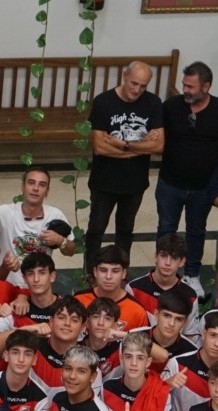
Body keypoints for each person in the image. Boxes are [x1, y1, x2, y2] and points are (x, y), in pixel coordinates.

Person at [156, 62, 218, 282]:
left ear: (206, 86)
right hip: (169, 183)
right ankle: (164, 272)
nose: (185, 90)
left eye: (190, 87)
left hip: (203, 187)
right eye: (184, 85)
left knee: (196, 231)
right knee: (166, 229)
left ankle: (192, 274)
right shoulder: (171, 107)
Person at [85, 61, 165, 269]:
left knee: (125, 231)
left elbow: (158, 145)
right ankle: (91, 272)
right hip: (104, 181)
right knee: (96, 230)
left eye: (143, 86)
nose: (137, 90)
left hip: (134, 182)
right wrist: (141, 146)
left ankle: (121, 272)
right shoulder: (103, 102)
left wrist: (124, 145)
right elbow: (100, 147)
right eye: (134, 83)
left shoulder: (153, 103)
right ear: (124, 76)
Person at [74, 246, 150, 333]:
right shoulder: (79, 300)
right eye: (103, 270)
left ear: (124, 273)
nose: (108, 276)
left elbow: (143, 340)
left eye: (115, 271)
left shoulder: (137, 311)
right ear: (95, 272)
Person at [129, 234, 201, 317]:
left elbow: (190, 326)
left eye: (174, 258)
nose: (168, 263)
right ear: (156, 257)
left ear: (182, 262)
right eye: (163, 256)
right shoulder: (134, 289)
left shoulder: (190, 296)